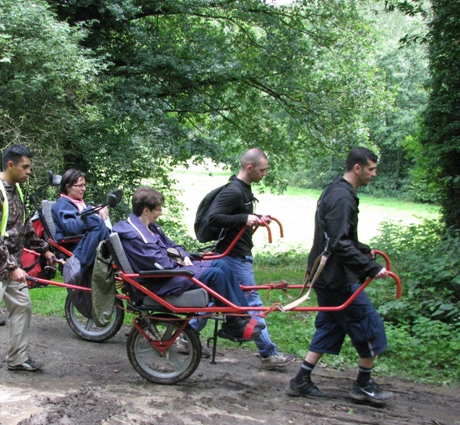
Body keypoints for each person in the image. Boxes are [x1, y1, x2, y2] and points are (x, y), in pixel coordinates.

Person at [286, 147, 393, 404]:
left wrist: (364, 251)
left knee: (331, 326)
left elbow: (341, 237)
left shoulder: (337, 190)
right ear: (357, 168)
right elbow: (338, 243)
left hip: (327, 274)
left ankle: (301, 379)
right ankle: (364, 385)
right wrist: (370, 269)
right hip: (334, 277)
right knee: (370, 326)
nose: (374, 174)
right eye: (371, 169)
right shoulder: (342, 197)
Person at [113, 187, 264, 343]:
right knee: (215, 274)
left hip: (174, 272)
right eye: (157, 209)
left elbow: (173, 246)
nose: (161, 213)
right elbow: (159, 264)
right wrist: (184, 265)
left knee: (221, 264)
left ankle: (244, 319)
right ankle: (235, 323)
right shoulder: (135, 237)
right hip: (161, 280)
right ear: (146, 210)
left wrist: (184, 256)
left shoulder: (151, 227)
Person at [0, 145, 55, 380]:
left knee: (23, 307)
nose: (29, 172)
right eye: (25, 167)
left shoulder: (16, 190)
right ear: (11, 165)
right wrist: (12, 267)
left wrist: (43, 250)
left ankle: (17, 358)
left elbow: (23, 226)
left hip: (10, 265)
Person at [205, 148, 296, 369]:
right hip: (234, 256)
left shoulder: (243, 190)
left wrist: (255, 217)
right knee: (252, 302)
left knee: (215, 299)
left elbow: (235, 218)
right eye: (262, 170)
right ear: (249, 168)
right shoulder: (234, 191)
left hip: (234, 253)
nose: (264, 174)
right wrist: (245, 217)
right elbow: (214, 217)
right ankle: (268, 355)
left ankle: (182, 338)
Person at [51, 168, 111, 267]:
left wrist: (100, 208)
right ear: (68, 187)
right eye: (80, 186)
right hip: (78, 248)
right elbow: (73, 228)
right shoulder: (62, 204)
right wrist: (91, 212)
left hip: (89, 244)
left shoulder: (78, 203)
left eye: (84, 185)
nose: (84, 189)